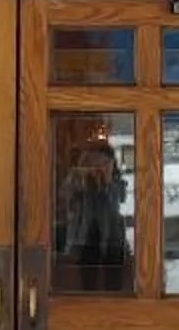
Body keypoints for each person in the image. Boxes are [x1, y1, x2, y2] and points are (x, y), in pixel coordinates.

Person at [52, 117, 132, 293]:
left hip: (112, 238)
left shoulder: (116, 182)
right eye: (92, 162)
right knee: (86, 283)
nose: (97, 165)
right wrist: (78, 177)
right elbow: (64, 195)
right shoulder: (78, 179)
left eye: (103, 162)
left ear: (111, 163)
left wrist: (107, 180)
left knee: (113, 283)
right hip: (85, 236)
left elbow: (119, 200)